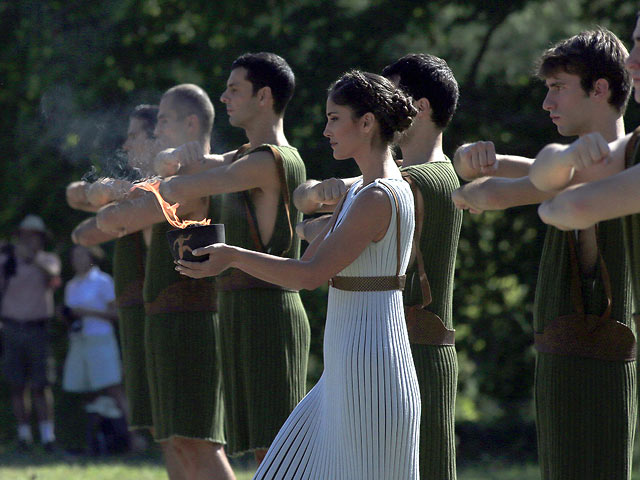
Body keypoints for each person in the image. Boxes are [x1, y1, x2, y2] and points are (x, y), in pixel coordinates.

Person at [176, 69, 420, 480]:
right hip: (348, 361)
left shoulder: (378, 195)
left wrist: (234, 255)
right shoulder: (359, 190)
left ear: (367, 123)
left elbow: (308, 275)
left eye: (334, 118)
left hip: (373, 362)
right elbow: (309, 247)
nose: (325, 130)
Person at [451, 29, 636, 479]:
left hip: (601, 362)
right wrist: (465, 156)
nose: (546, 103)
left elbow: (501, 192)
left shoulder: (624, 163)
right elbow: (478, 189)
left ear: (600, 89)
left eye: (558, 88)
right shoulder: (580, 164)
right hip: (568, 360)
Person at [293, 53, 462, 480]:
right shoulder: (405, 177)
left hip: (405, 346)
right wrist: (318, 208)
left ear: (418, 107)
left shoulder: (414, 181)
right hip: (394, 341)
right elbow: (307, 202)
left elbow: (314, 212)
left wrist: (320, 220)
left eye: (393, 93)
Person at [158, 52, 310, 465]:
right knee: (262, 450)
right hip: (242, 308)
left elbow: (204, 181)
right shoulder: (247, 154)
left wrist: (161, 179)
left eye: (234, 89)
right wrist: (176, 156)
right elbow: (204, 165)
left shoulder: (268, 160)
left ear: (264, 96)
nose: (223, 97)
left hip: (268, 310)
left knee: (277, 451)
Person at [94, 85, 233, 480]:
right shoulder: (177, 172)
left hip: (192, 318)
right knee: (175, 440)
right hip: (168, 318)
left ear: (190, 124)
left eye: (164, 123)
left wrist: (115, 193)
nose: (156, 133)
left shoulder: (196, 174)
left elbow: (111, 221)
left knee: (198, 442)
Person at [70, 104, 159, 450]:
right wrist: (105, 189)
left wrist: (114, 194)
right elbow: (79, 218)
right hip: (143, 313)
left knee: (183, 437)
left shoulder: (172, 186)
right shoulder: (135, 186)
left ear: (155, 140)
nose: (125, 146)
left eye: (134, 136)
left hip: (169, 312)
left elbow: (89, 234)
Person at [60, 244, 128, 454]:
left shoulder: (103, 281)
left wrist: (86, 312)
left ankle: (133, 437)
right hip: (79, 340)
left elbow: (116, 314)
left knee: (112, 388)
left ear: (92, 256)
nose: (77, 259)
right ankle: (96, 442)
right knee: (87, 391)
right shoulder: (71, 285)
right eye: (74, 256)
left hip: (100, 339)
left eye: (82, 255)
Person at [0, 214, 60, 452]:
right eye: (25, 236)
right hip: (12, 328)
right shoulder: (6, 262)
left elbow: (53, 277)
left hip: (38, 329)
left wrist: (33, 259)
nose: (29, 240)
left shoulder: (49, 260)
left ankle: (48, 437)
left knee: (41, 385)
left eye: (34, 236)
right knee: (17, 385)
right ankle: (24, 437)